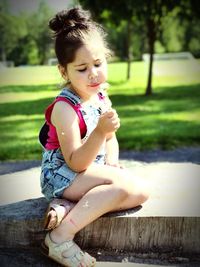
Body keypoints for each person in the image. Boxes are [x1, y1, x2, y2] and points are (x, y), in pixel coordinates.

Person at [39, 5, 150, 267]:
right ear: (63, 71)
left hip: (87, 171)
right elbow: (75, 161)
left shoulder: (100, 96)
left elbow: (110, 139)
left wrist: (112, 163)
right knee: (125, 187)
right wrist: (100, 131)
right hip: (61, 174)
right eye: (82, 68)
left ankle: (66, 205)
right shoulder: (65, 108)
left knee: (140, 192)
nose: (93, 74)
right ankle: (59, 238)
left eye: (98, 64)